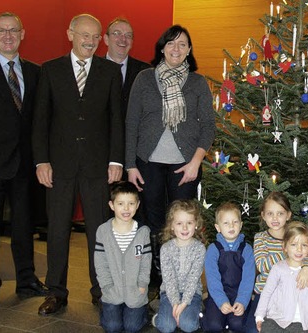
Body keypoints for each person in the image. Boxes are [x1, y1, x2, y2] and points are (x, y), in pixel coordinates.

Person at [32, 13, 123, 315]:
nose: (90, 41)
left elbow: (116, 120)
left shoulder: (110, 72)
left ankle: (100, 290)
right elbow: (41, 120)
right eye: (85, 34)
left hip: (98, 166)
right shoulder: (51, 70)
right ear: (70, 33)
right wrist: (41, 160)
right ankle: (56, 292)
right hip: (59, 166)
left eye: (96, 36)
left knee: (99, 231)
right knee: (57, 230)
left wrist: (116, 160)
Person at [125, 24, 215, 282]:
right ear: (162, 48)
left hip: (184, 166)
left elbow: (208, 125)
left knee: (182, 222)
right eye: (171, 43)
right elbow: (131, 123)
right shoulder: (144, 78)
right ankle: (156, 278)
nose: (176, 48)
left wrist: (196, 162)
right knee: (152, 222)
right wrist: (131, 165)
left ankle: (180, 277)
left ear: (189, 50)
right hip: (147, 162)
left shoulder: (198, 83)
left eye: (182, 44)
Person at [0, 12, 48, 309]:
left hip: (24, 166)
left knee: (23, 228)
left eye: (13, 30)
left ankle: (27, 279)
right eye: (2, 31)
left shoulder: (35, 73)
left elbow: (40, 120)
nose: (8, 35)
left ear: (22, 33)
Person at [246, 192, 308, 333]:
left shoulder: (295, 236)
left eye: (280, 213)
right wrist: (287, 251)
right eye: (270, 213)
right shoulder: (260, 238)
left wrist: (306, 268)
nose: (275, 218)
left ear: (288, 215)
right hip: (265, 293)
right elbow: (262, 265)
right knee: (252, 329)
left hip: (289, 293)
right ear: (263, 215)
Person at [94, 181, 151, 333]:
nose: (126, 208)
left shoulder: (143, 232)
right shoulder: (103, 231)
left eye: (131, 203)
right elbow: (100, 262)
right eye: (120, 203)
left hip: (136, 292)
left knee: (132, 327)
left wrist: (142, 284)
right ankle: (106, 310)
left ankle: (143, 312)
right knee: (113, 327)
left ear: (137, 205)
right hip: (112, 292)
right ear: (112, 205)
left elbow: (146, 262)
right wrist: (106, 286)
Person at [254, 222, 308, 332]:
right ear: (285, 247)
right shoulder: (278, 268)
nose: (299, 249)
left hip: (302, 323)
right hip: (276, 319)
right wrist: (259, 316)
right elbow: (267, 292)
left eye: (304, 245)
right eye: (294, 245)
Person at [152, 200, 205, 333]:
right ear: (171, 226)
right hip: (169, 293)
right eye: (179, 223)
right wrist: (176, 303)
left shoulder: (199, 248)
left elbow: (193, 280)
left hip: (192, 294)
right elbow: (169, 280)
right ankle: (161, 311)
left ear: (196, 225)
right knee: (166, 327)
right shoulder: (166, 248)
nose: (185, 228)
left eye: (189, 223)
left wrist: (183, 304)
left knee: (189, 326)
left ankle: (195, 309)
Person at [202, 202, 254, 333]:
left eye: (235, 222)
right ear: (217, 227)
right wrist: (221, 301)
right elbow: (212, 279)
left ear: (241, 225)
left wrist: (242, 301)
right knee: (213, 326)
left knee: (238, 325)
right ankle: (205, 315)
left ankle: (230, 321)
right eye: (226, 223)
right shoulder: (213, 249)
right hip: (217, 294)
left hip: (239, 294)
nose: (231, 226)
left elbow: (248, 279)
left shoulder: (246, 249)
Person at [103, 17, 151, 121]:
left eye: (128, 36)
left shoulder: (146, 72)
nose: (123, 39)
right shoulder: (92, 70)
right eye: (117, 33)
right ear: (106, 39)